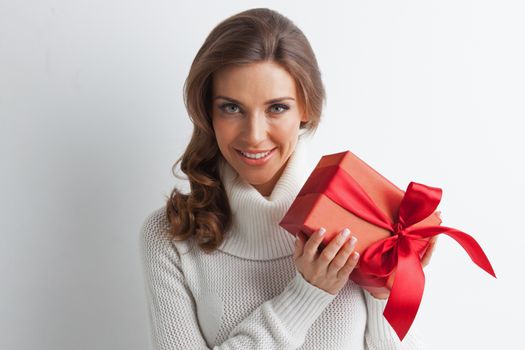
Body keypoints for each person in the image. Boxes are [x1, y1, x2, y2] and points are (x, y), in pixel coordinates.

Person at [139, 7, 437, 350]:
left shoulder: (364, 213)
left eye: (277, 108)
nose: (254, 135)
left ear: (306, 108)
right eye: (231, 107)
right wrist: (304, 295)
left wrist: (384, 293)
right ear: (208, 111)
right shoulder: (170, 236)